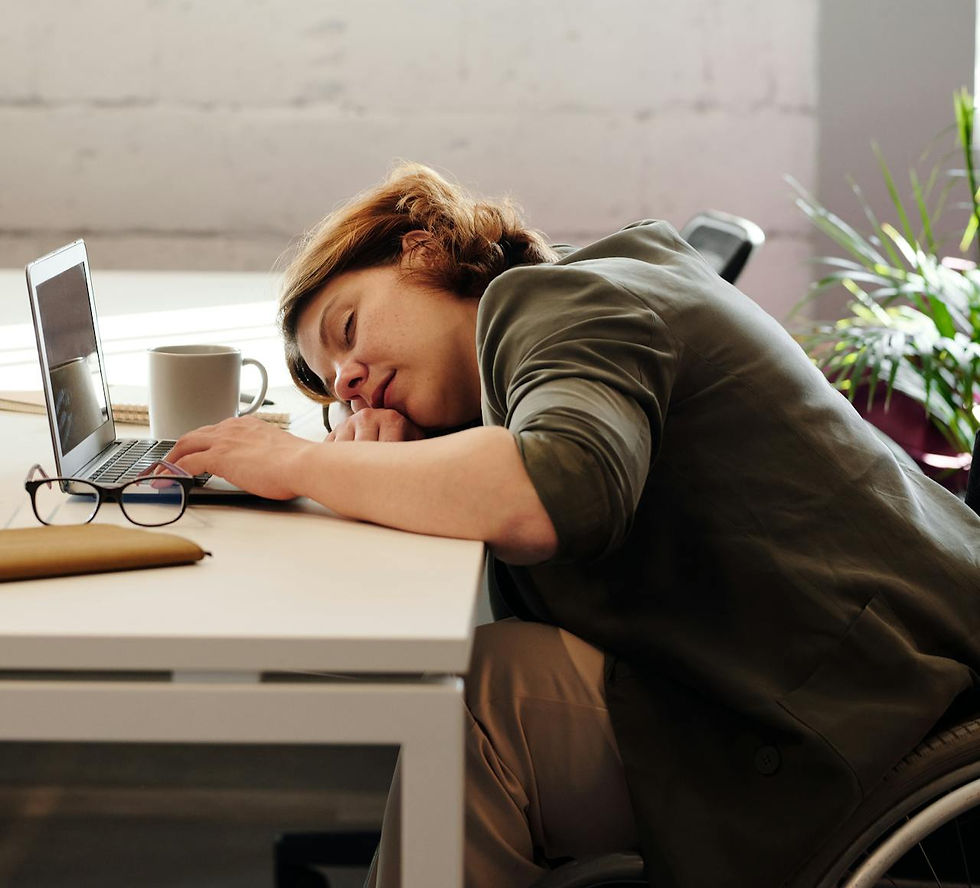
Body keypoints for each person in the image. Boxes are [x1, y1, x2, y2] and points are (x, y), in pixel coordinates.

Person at [166, 163, 980, 888]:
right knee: (497, 678)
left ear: (420, 250)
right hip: (858, 673)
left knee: (492, 696)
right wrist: (384, 465)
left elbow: (563, 488)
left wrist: (304, 465)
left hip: (870, 713)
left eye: (347, 329)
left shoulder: (552, 302)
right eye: (334, 386)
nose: (347, 379)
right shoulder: (573, 311)